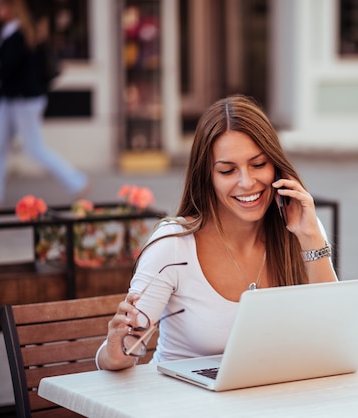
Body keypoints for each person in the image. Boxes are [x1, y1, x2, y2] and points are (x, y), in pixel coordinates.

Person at [96, 94, 337, 370]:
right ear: (207, 176)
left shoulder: (302, 231)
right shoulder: (172, 245)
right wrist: (114, 352)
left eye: (258, 165)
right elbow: (121, 350)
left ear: (276, 165)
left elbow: (331, 336)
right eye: (227, 170)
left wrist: (310, 238)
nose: (247, 182)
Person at [0, 0, 88, 208]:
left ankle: (77, 181)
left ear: (11, 7)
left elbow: (6, 69)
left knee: (34, 148)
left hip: (26, 100)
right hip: (10, 99)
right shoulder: (9, 31)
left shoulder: (22, 33)